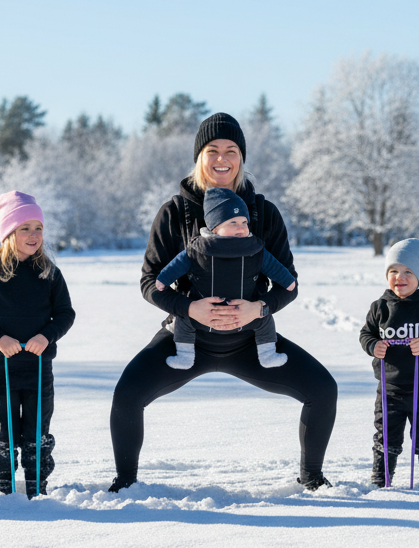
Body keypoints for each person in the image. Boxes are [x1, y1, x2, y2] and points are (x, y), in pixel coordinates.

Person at [110, 112, 338, 492]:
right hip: (186, 340)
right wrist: (188, 308)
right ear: (199, 157)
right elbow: (150, 282)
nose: (222, 158)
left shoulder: (263, 213)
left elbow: (290, 285)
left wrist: (260, 308)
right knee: (127, 395)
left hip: (251, 342)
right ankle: (126, 483)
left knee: (323, 390)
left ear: (241, 158)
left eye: (231, 150)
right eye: (212, 150)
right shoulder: (174, 213)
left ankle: (312, 478)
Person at [0, 191, 75, 497]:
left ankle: (36, 487)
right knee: (4, 428)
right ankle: (4, 489)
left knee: (37, 431)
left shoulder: (49, 273)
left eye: (38, 228)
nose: (33, 235)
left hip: (39, 368)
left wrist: (46, 336)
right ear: (8, 233)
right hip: (1, 368)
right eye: (24, 228)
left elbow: (65, 313)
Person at [155, 186, 297, 369]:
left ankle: (268, 354)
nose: (241, 227)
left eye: (244, 223)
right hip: (201, 315)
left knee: (265, 320)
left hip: (245, 317)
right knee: (183, 322)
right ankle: (184, 356)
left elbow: (275, 268)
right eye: (233, 223)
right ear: (214, 227)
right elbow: (178, 264)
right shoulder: (198, 248)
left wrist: (287, 282)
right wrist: (163, 280)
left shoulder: (255, 248)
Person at [359, 239, 419, 486]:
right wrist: (373, 346)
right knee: (386, 434)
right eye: (393, 271)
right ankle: (382, 475)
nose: (399, 277)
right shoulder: (380, 307)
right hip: (390, 388)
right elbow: (366, 334)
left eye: (408, 272)